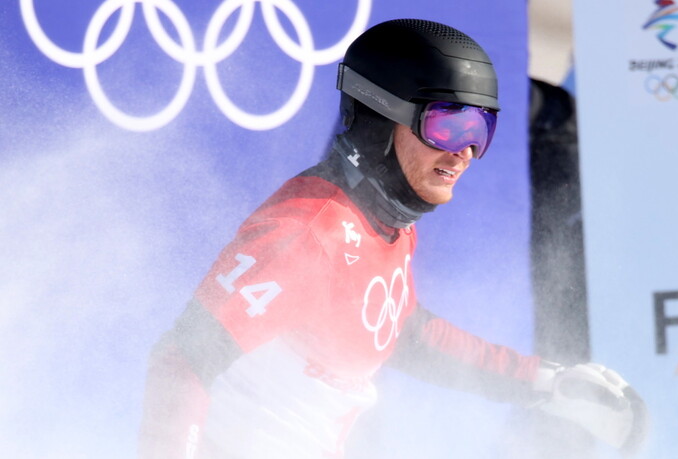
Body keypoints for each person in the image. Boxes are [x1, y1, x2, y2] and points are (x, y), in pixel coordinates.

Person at [138, 18, 648, 458]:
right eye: (448, 126)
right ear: (380, 121)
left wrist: (544, 383)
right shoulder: (309, 232)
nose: (465, 153)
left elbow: (399, 331)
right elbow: (183, 360)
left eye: (479, 129)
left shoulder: (385, 221)